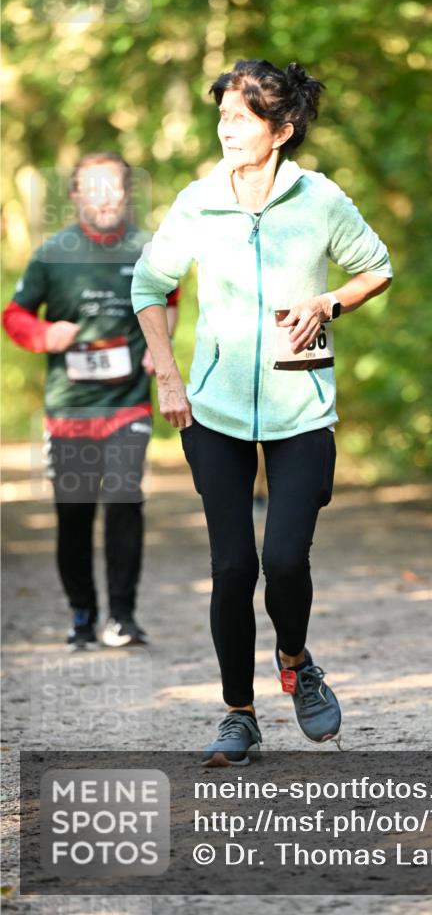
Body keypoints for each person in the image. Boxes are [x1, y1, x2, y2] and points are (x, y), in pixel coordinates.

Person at [131, 58, 393, 766]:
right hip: (212, 411)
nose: (226, 129)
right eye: (221, 116)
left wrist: (328, 301)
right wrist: (169, 378)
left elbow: (376, 266)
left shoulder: (320, 198)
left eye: (241, 118)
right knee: (231, 567)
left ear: (280, 130)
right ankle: (238, 716)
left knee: (283, 559)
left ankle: (296, 661)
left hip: (301, 409)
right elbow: (148, 285)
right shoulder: (198, 201)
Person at [2, 152, 180, 650]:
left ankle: (122, 616)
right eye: (93, 187)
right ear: (76, 194)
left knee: (125, 499)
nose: (104, 198)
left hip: (128, 403)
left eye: (114, 186)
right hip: (71, 409)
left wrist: (158, 349)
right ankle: (82, 613)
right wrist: (44, 335)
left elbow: (169, 302)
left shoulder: (149, 249)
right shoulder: (52, 254)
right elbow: (14, 315)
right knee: (74, 513)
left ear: (128, 192)